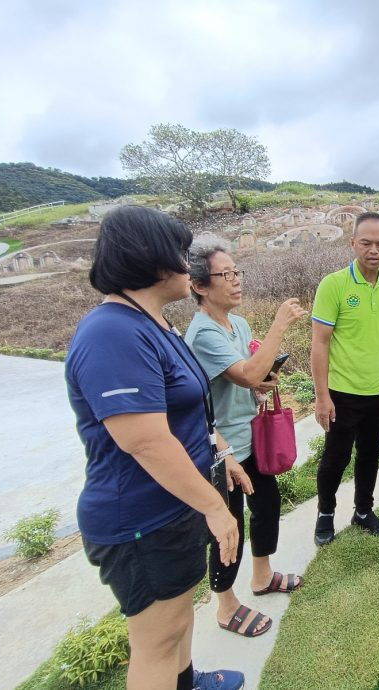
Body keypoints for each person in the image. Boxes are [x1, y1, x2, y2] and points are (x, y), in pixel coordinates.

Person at [66, 206, 247, 690]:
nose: (190, 267)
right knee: (157, 642)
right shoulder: (112, 332)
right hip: (140, 519)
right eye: (181, 254)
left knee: (178, 618)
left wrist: (221, 458)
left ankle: (189, 682)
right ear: (150, 259)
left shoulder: (155, 324)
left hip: (173, 506)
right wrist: (216, 509)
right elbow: (143, 440)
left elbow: (188, 414)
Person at [185, 242, 308, 638]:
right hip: (222, 450)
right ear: (202, 286)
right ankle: (225, 606)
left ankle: (262, 575)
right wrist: (279, 326)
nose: (236, 281)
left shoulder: (236, 325)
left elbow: (250, 376)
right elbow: (245, 373)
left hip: (250, 437)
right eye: (226, 275)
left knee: (268, 505)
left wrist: (262, 383)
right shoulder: (202, 332)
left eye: (237, 272)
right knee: (230, 525)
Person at [310, 211, 379, 545]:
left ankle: (363, 511)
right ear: (353, 244)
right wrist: (321, 396)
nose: (374, 250)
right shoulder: (334, 285)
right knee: (335, 458)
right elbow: (320, 342)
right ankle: (326, 513)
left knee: (370, 455)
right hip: (341, 393)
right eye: (366, 243)